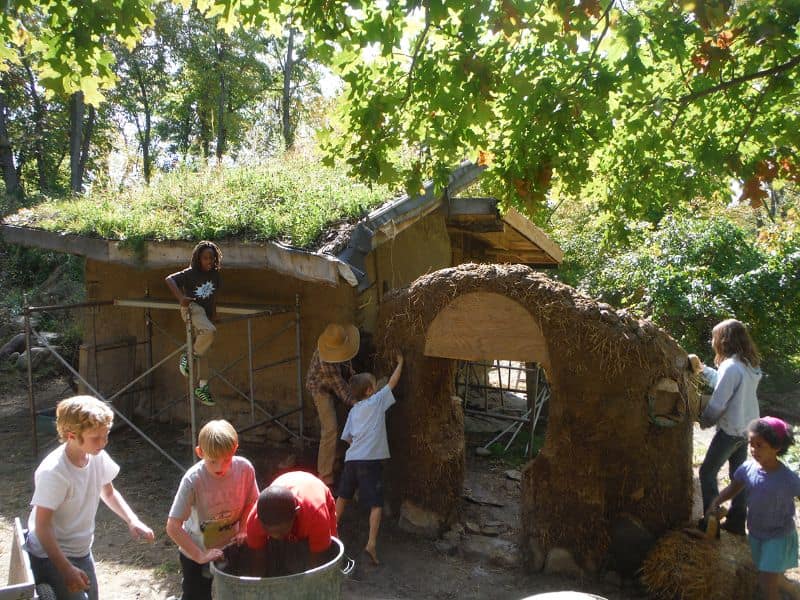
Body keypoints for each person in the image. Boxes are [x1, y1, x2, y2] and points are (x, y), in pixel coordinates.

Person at [25, 395, 154, 600]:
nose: (103, 443)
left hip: (81, 549)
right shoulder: (54, 473)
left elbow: (109, 492)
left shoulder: (96, 456)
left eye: (106, 435)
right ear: (71, 436)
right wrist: (66, 568)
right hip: (50, 555)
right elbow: (42, 526)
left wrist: (132, 520)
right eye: (96, 438)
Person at [706, 418, 800, 600]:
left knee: (767, 583)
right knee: (771, 575)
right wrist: (716, 501)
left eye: (759, 445)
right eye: (751, 444)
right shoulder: (748, 469)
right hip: (756, 534)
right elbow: (733, 488)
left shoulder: (788, 479)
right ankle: (793, 589)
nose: (753, 450)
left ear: (776, 447)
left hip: (778, 536)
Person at [166, 420, 258, 600]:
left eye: (227, 460)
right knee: (196, 595)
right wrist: (199, 555)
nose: (220, 467)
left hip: (231, 548)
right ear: (200, 452)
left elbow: (252, 501)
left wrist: (245, 527)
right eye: (213, 461)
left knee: (236, 593)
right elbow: (173, 526)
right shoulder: (193, 480)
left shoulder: (245, 469)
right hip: (196, 550)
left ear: (235, 448)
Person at [691, 318, 762, 535]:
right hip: (746, 428)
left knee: (707, 472)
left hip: (731, 430)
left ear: (724, 340)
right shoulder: (747, 365)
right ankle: (737, 521)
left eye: (714, 337)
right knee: (738, 476)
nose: (712, 341)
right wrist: (701, 370)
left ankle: (710, 522)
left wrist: (704, 421)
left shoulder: (731, 367)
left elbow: (718, 403)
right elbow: (723, 380)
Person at [336, 352, 403, 565]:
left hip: (351, 460)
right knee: (376, 504)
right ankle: (371, 544)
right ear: (370, 391)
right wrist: (400, 362)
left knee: (343, 496)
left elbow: (347, 438)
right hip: (369, 462)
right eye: (374, 384)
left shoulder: (353, 411)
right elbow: (392, 383)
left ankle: (330, 532)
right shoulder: (376, 402)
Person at [245, 470, 337, 575]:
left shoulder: (317, 516)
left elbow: (318, 564)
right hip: (287, 484)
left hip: (313, 487)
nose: (276, 537)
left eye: (282, 532)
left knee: (330, 555)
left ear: (296, 513)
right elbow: (258, 558)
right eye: (269, 532)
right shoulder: (254, 520)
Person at [165, 240, 223, 406]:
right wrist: (181, 298)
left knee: (205, 348)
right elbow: (169, 279)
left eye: (211, 258)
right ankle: (188, 356)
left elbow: (214, 296)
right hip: (192, 309)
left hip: (204, 313)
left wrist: (214, 314)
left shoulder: (215, 275)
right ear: (198, 259)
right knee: (210, 332)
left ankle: (202, 387)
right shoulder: (191, 273)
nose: (209, 261)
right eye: (205, 258)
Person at [305, 323, 360, 487]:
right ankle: (325, 475)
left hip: (333, 384)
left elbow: (346, 365)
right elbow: (340, 388)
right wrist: (358, 404)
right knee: (330, 428)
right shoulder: (326, 361)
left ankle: (335, 457)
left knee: (341, 420)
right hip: (320, 389)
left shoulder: (343, 341)